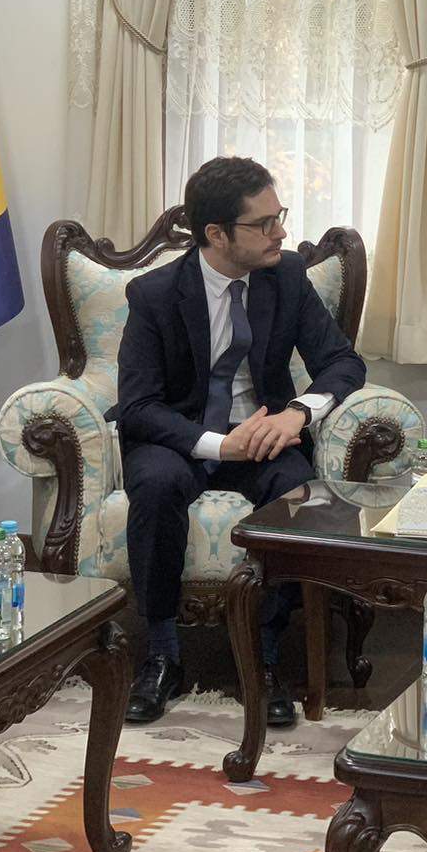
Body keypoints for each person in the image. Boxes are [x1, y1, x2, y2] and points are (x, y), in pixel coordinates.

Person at [117, 156, 366, 726]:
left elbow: (342, 362)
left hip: (263, 431)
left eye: (281, 216)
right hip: (181, 436)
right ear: (216, 234)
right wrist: (217, 445)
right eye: (264, 223)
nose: (280, 232)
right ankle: (161, 655)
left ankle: (267, 656)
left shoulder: (287, 276)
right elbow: (138, 407)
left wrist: (298, 413)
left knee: (296, 492)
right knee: (154, 487)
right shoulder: (155, 295)